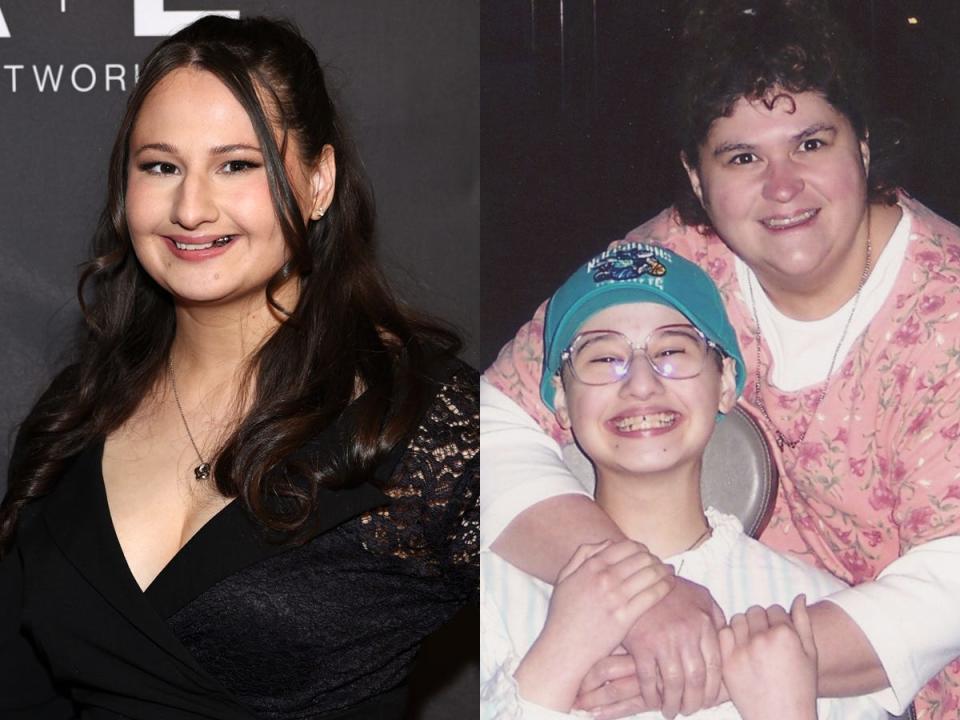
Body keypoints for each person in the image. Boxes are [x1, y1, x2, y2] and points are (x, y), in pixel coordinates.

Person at [481, 1, 960, 718]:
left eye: (810, 143)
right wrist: (647, 595)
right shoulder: (675, 261)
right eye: (742, 156)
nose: (781, 186)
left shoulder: (946, 311)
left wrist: (709, 659)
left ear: (862, 146)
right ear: (698, 180)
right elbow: (491, 422)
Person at [0, 15, 478, 720]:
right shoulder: (75, 416)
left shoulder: (423, 423)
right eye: (160, 166)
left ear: (319, 182)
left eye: (237, 164)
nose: (191, 208)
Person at [481, 243, 884, 720]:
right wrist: (555, 660)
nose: (641, 384)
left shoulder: (813, 609)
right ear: (562, 403)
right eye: (603, 358)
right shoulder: (491, 588)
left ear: (727, 381)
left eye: (672, 350)